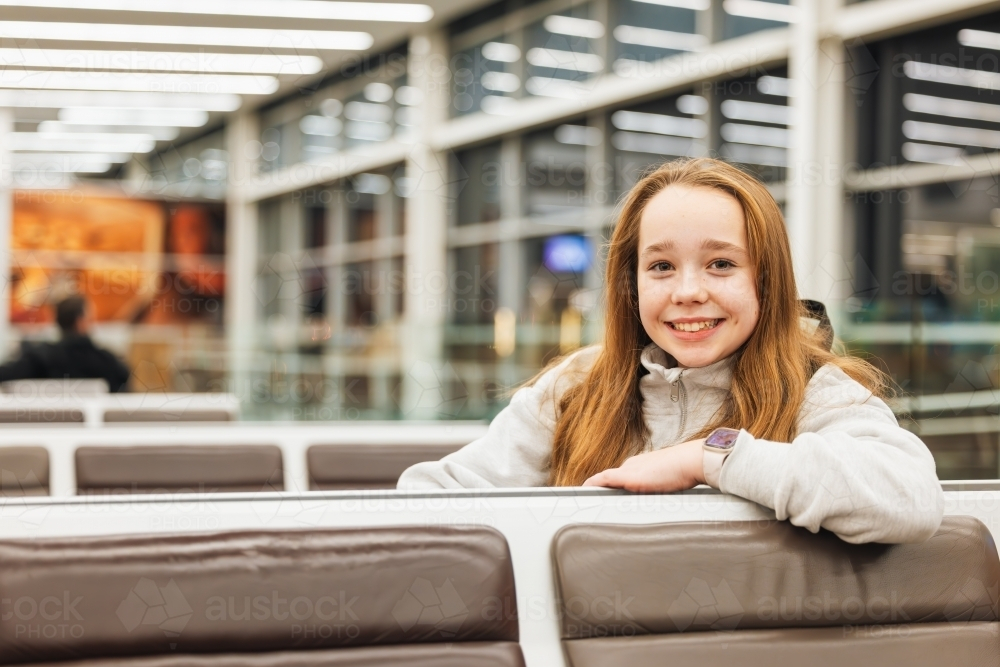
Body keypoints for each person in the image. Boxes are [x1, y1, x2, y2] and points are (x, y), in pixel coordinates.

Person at [398, 157, 944, 545]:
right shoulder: (576, 386)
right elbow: (430, 494)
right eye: (661, 266)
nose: (687, 291)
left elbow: (907, 497)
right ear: (631, 285)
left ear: (767, 280)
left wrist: (708, 457)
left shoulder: (814, 390)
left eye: (721, 264)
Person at [0, 295, 131, 392]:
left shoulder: (40, 358)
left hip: (45, 426)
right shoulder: (108, 363)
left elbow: (6, 373)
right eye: (91, 319)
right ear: (80, 322)